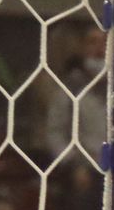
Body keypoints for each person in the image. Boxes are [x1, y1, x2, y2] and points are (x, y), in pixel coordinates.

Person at [46, 26, 107, 162]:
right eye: (93, 42)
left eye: (105, 42)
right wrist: (74, 163)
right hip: (82, 169)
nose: (99, 48)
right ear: (83, 48)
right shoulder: (69, 90)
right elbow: (55, 132)